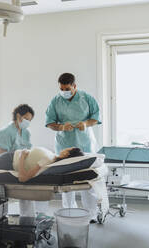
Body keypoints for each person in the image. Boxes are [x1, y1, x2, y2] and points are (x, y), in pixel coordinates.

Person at [45, 72, 104, 222]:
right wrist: (61, 127)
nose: (64, 92)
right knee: (66, 181)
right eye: (62, 89)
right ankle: (69, 211)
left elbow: (95, 118)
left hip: (85, 143)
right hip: (64, 145)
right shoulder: (56, 101)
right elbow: (50, 123)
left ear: (74, 86)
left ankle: (91, 214)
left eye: (67, 89)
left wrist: (85, 124)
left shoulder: (87, 98)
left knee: (87, 179)